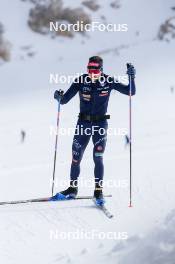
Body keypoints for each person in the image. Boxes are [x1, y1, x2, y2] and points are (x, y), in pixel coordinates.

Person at [52, 56, 136, 205]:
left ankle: (98, 191)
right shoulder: (80, 81)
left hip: (100, 125)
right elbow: (64, 100)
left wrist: (131, 77)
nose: (92, 73)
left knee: (98, 157)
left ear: (101, 69)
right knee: (76, 158)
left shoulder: (109, 81)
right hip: (83, 124)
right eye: (89, 69)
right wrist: (58, 96)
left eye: (95, 70)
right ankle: (72, 189)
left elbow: (130, 92)